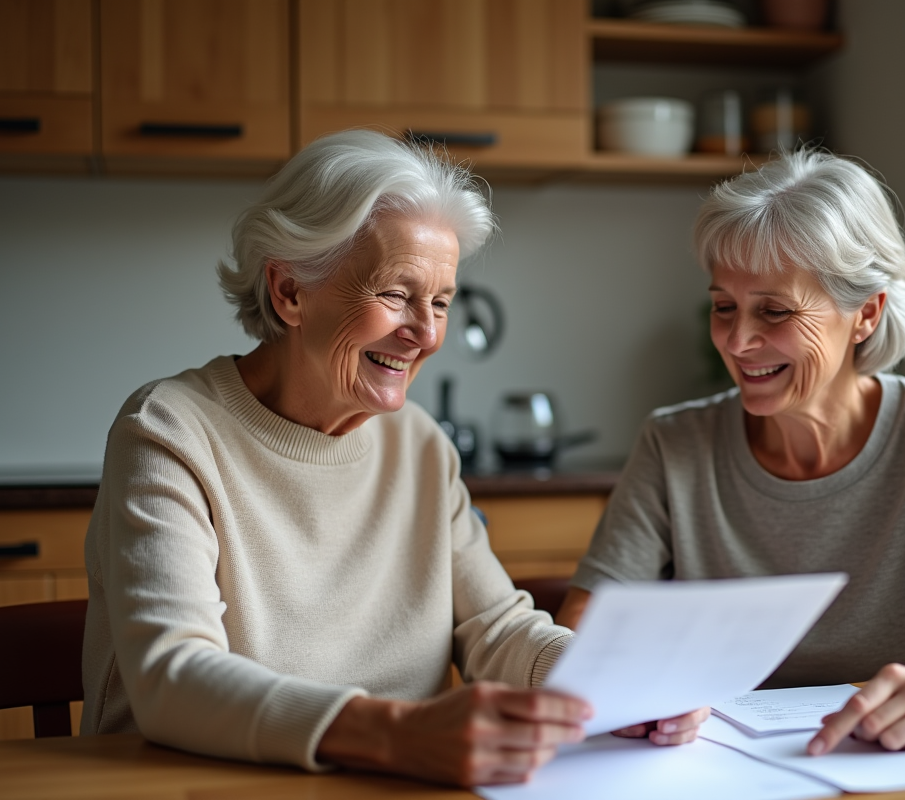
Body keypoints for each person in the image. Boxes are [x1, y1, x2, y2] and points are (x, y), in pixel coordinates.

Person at [80, 130, 596, 787]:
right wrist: (397, 734)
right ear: (290, 290)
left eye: (440, 302)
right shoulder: (170, 433)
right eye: (394, 294)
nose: (427, 333)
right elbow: (171, 677)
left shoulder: (421, 446)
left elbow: (495, 628)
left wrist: (609, 685)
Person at [556, 149, 905, 755]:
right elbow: (581, 630)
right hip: (715, 767)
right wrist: (629, 693)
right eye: (723, 306)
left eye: (774, 311)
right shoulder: (675, 444)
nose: (737, 340)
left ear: (866, 313)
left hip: (896, 766)